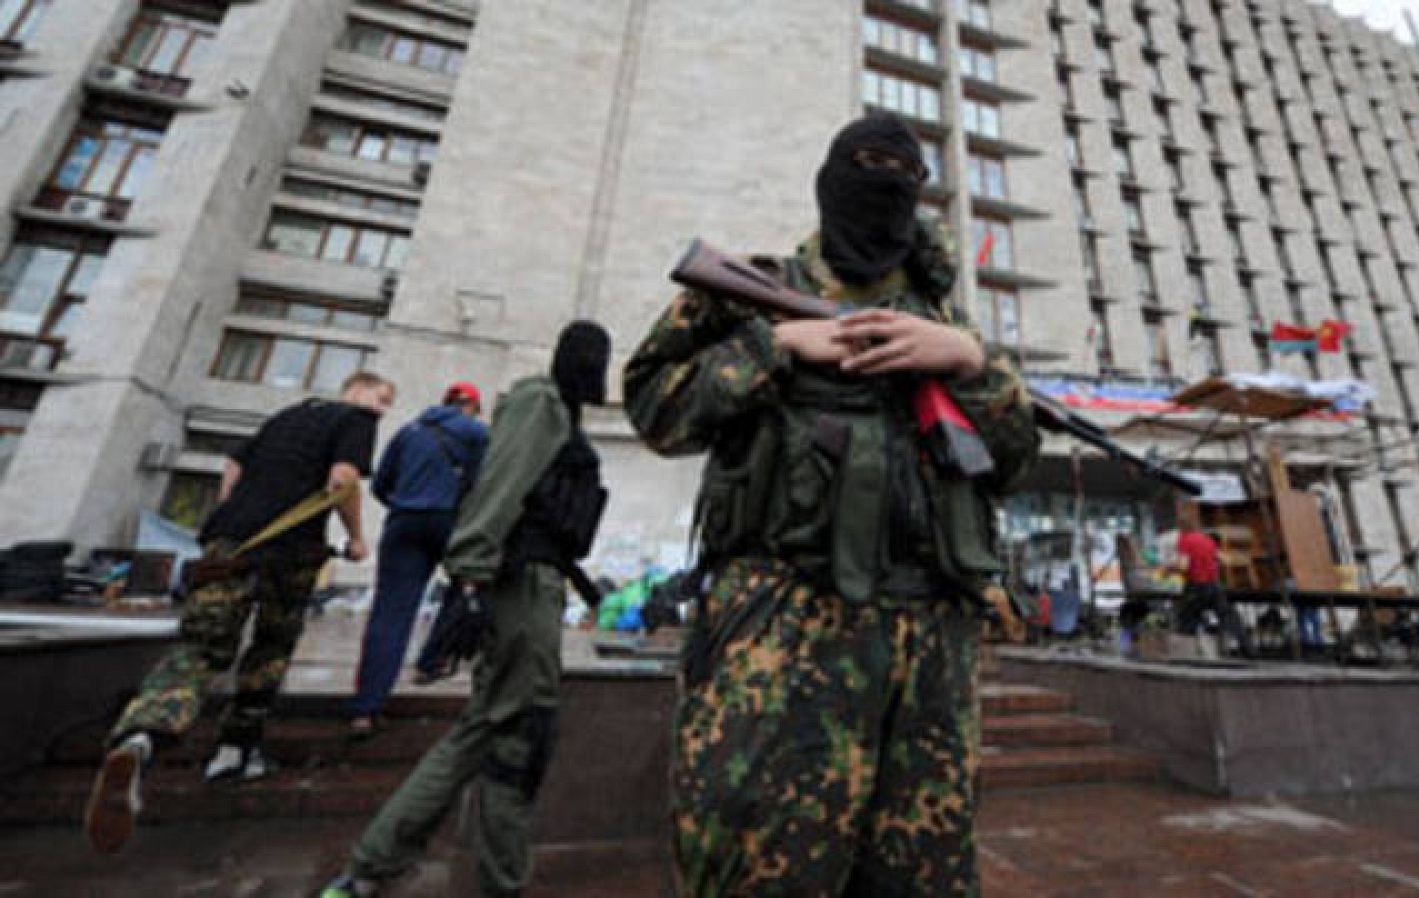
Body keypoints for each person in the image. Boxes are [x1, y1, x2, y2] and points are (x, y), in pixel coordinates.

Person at [624, 113, 1040, 896]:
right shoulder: (755, 290)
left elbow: (1011, 463)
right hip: (784, 632)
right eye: (869, 164)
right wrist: (774, 346)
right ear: (831, 179)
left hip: (931, 649)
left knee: (924, 878)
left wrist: (970, 363)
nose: (887, 184)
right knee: (761, 867)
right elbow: (652, 409)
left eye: (906, 174)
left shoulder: (947, 322)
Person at [320, 320, 611, 898]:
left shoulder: (559, 411)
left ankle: (383, 869)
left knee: (501, 733)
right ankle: (388, 868)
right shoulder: (541, 401)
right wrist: (472, 570)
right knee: (509, 730)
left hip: (535, 583)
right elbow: (503, 482)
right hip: (521, 586)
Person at [85, 371, 394, 854]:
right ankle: (236, 750)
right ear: (360, 390)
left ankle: (139, 739)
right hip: (288, 551)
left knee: (200, 649)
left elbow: (232, 467)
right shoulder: (355, 420)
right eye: (383, 398)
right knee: (270, 650)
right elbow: (343, 479)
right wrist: (356, 537)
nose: (383, 408)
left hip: (229, 545)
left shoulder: (284, 417)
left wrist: (234, 514)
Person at [348, 382, 489, 736]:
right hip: (451, 524)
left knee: (390, 614)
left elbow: (380, 484)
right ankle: (431, 661)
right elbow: (485, 485)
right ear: (472, 407)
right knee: (467, 588)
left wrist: (408, 503)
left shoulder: (409, 431)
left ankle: (366, 709)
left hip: (403, 523)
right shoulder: (477, 434)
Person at [1171, 506, 1251, 657]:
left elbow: (1183, 566)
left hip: (1195, 586)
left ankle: (1185, 654)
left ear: (1181, 528)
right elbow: (1224, 560)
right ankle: (1248, 649)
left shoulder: (1185, 540)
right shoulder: (1206, 539)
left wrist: (1170, 569)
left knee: (1186, 618)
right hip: (1214, 586)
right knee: (1229, 617)